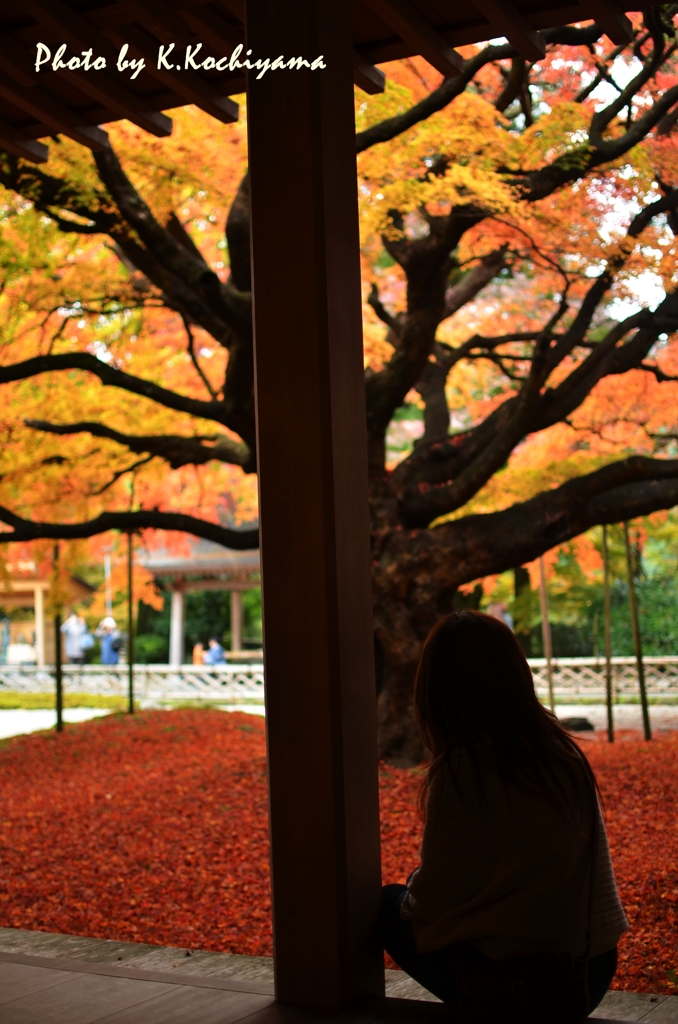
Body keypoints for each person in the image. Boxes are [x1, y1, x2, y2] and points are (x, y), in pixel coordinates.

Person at [380, 611, 627, 1022]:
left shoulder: (468, 768)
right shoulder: (561, 753)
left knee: (387, 903)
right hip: (593, 967)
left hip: (521, 984)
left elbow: (433, 900)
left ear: (438, 689)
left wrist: (410, 887)